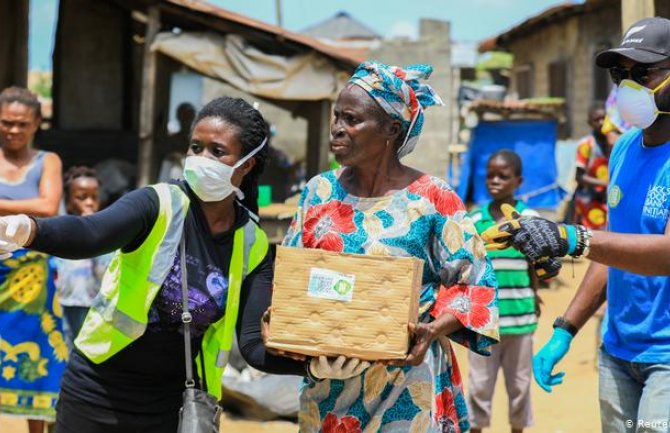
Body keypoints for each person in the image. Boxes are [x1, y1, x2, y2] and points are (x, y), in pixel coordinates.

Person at [0, 96, 307, 432]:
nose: (201, 159)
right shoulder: (157, 203)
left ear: (246, 164)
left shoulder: (252, 243)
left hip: (174, 404)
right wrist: (28, 228)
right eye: (196, 147)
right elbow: (90, 233)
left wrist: (314, 366)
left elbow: (251, 345)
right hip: (98, 388)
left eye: (217, 151)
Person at [281, 61, 498, 432]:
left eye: (351, 119)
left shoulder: (432, 198)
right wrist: (292, 333)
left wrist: (432, 330)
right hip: (328, 389)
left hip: (406, 390)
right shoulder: (318, 192)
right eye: (337, 117)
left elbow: (475, 285)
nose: (337, 129)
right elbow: (291, 278)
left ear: (391, 129)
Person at [481, 17, 670, 433]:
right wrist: (566, 329)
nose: (627, 85)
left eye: (644, 72)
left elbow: (666, 255)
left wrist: (571, 236)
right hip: (618, 353)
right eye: (621, 74)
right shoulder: (622, 150)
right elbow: (613, 250)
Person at [0, 86, 64, 433]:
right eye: (6, 122)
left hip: (30, 279)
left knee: (37, 357)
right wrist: (22, 207)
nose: (12, 130)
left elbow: (49, 207)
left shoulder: (47, 161)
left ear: (36, 124)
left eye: (21, 124)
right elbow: (36, 206)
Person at [467, 150, 539, 433]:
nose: (494, 181)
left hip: (520, 318)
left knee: (520, 385)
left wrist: (535, 297)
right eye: (490, 175)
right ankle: (475, 428)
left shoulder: (529, 219)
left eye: (503, 176)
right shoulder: (474, 221)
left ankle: (517, 428)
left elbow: (534, 267)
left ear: (518, 181)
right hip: (484, 321)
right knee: (479, 385)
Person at [51, 166, 112, 349]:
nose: (89, 203)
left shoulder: (107, 231)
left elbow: (107, 268)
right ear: (68, 201)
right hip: (64, 303)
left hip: (95, 305)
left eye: (94, 197)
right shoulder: (60, 230)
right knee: (65, 347)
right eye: (81, 197)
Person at [572, 103, 609, 230]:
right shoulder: (586, 144)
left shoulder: (615, 142)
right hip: (589, 200)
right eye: (596, 120)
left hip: (607, 199)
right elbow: (579, 177)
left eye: (604, 118)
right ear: (589, 123)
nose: (601, 122)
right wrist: (606, 184)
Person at [157, 102, 196, 182]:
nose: (185, 119)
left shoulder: (196, 139)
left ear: (192, 117)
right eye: (183, 116)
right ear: (178, 117)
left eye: (188, 116)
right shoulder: (173, 139)